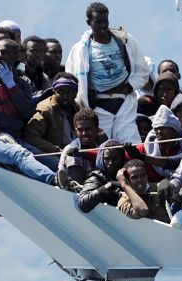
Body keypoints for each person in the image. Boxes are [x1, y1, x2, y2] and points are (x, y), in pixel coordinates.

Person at [0, 39, 58, 184]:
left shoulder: (21, 82)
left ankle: (72, 185)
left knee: (54, 161)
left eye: (5, 52)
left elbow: (27, 112)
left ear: (16, 56)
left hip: (16, 139)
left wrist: (12, 86)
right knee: (19, 154)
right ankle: (54, 180)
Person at [66, 2, 150, 143]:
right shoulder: (79, 50)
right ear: (89, 22)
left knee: (132, 146)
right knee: (102, 150)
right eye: (98, 22)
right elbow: (72, 80)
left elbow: (142, 70)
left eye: (105, 21)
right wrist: (83, 101)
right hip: (98, 109)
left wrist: (128, 88)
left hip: (124, 103)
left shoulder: (126, 41)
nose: (103, 25)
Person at [23, 73, 79, 154]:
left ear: (76, 94)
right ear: (54, 91)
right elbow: (30, 136)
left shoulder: (77, 107)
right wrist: (57, 150)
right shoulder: (45, 109)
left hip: (76, 151)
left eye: (70, 92)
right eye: (61, 92)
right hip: (56, 154)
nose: (65, 96)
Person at [78, 140, 126, 212]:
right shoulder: (96, 178)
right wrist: (110, 185)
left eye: (115, 159)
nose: (110, 163)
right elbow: (83, 204)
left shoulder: (126, 177)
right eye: (107, 159)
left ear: (121, 160)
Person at [58, 108, 103, 186]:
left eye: (88, 129)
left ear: (97, 130)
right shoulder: (72, 150)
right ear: (75, 132)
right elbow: (79, 183)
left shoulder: (99, 147)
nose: (84, 133)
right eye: (80, 130)